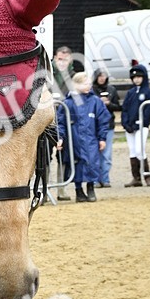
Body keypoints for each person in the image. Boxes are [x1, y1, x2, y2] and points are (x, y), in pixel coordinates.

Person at [56, 72, 110, 202]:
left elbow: (103, 119)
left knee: (92, 162)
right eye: (85, 83)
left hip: (91, 139)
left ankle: (91, 188)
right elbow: (60, 122)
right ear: (76, 85)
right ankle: (78, 190)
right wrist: (60, 137)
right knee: (76, 164)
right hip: (74, 140)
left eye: (89, 83)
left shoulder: (95, 101)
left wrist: (102, 138)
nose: (89, 86)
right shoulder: (68, 103)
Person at [120, 63, 150, 186]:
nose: (136, 79)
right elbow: (125, 108)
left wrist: (140, 123)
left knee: (140, 150)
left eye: (139, 77)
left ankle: (147, 176)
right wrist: (125, 123)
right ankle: (136, 178)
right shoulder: (130, 92)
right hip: (130, 126)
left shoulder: (148, 92)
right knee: (132, 151)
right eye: (134, 77)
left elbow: (148, 111)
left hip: (141, 126)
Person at [52, 47, 75, 199]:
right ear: (54, 58)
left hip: (66, 120)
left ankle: (62, 189)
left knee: (64, 156)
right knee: (44, 155)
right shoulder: (47, 74)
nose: (62, 62)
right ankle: (44, 188)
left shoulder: (74, 76)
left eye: (65, 59)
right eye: (60, 59)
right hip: (48, 119)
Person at [92, 68, 121, 186]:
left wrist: (109, 104)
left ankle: (105, 179)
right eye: (99, 76)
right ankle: (95, 179)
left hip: (108, 125)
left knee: (106, 154)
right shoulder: (91, 90)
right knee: (94, 154)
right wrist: (99, 102)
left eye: (104, 76)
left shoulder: (112, 89)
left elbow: (118, 107)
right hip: (93, 125)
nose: (102, 78)